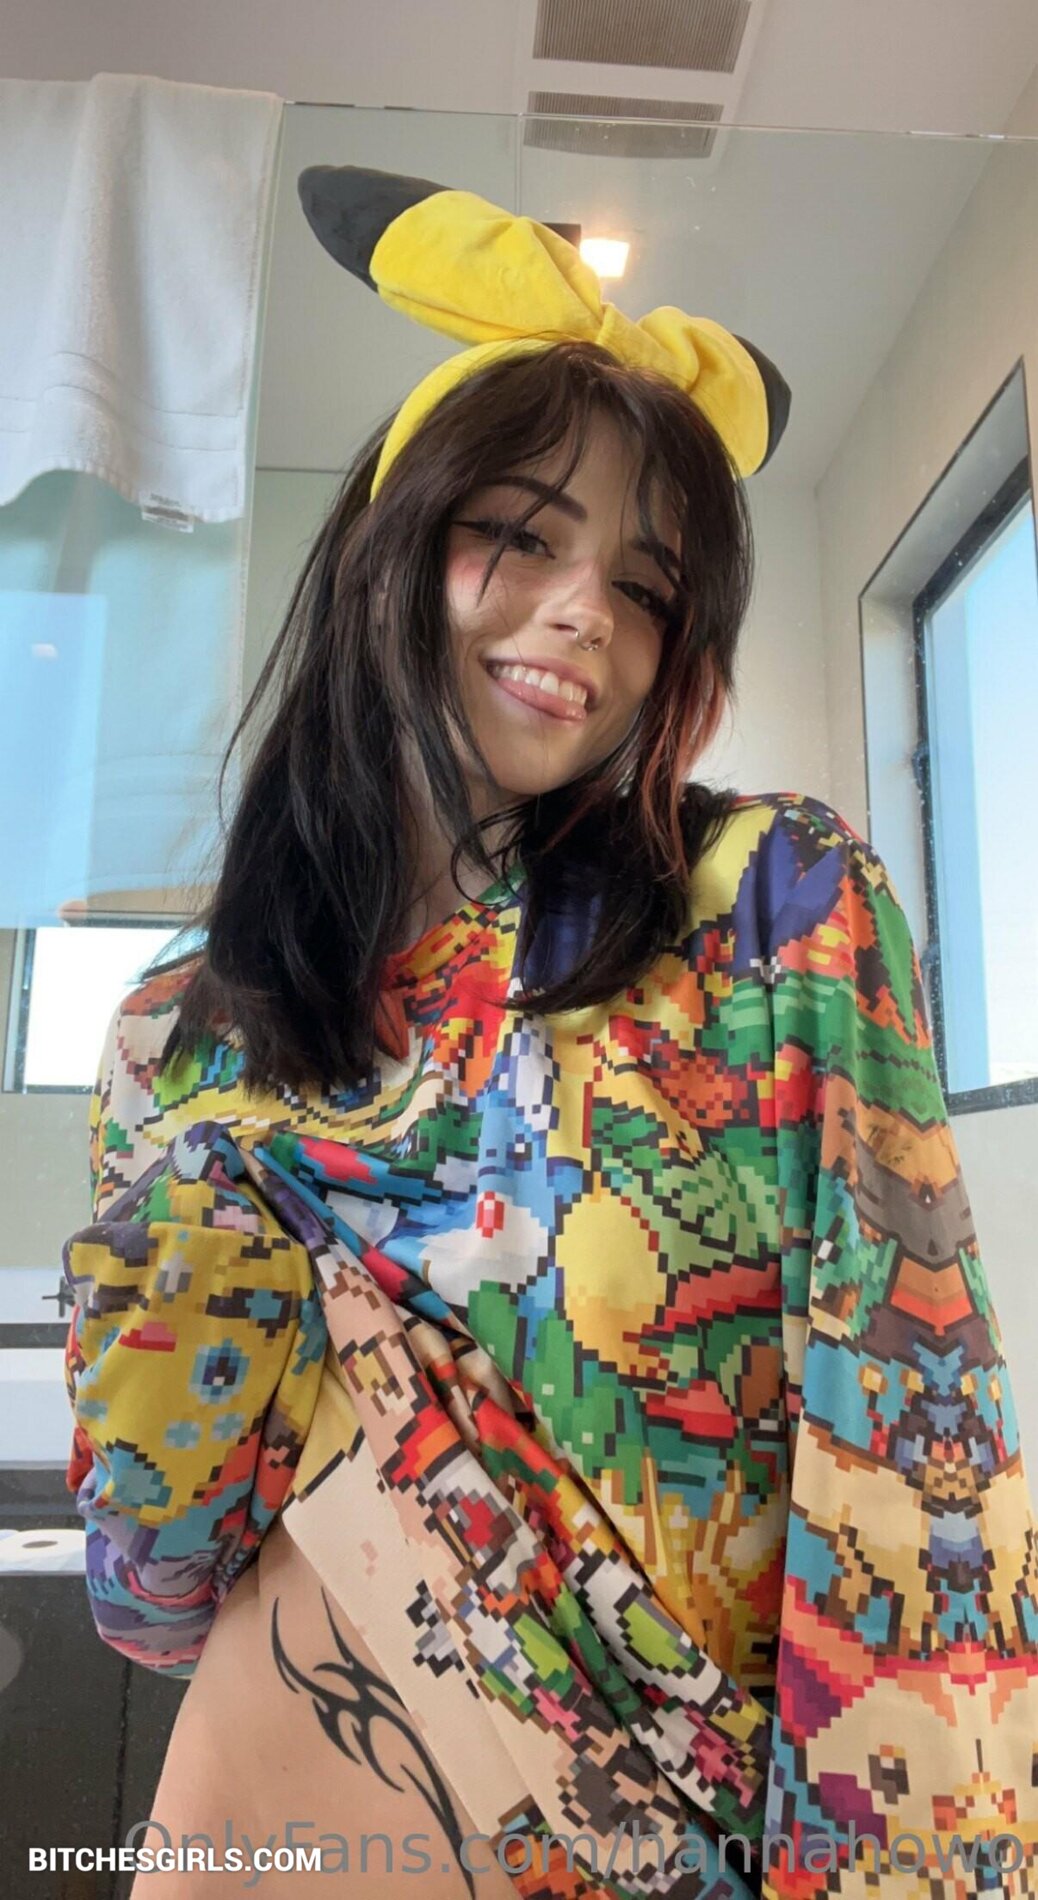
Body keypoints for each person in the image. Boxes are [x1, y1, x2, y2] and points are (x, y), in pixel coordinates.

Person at [60, 168, 1038, 1900]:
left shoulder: (763, 910)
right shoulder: (174, 1037)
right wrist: (168, 1328)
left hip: (654, 1841)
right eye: (518, 534)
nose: (586, 611)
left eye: (645, 586)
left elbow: (917, 1461)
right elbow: (148, 1591)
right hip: (259, 1814)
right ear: (385, 548)